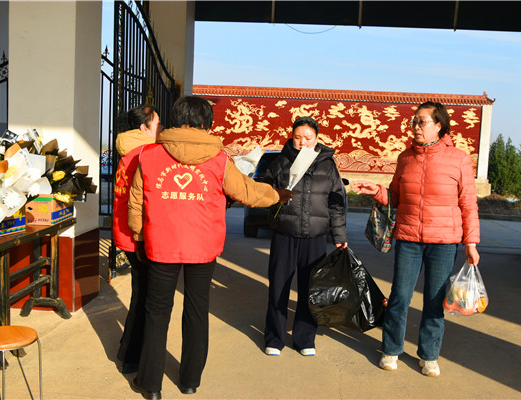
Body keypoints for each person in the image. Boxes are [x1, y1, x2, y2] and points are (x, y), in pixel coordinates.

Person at [127, 96, 292, 399]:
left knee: (156, 312)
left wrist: (138, 236)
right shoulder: (219, 160)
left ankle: (150, 384)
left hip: (160, 245)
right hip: (203, 247)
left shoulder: (149, 155)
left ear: (175, 120)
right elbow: (246, 191)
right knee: (196, 310)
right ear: (206, 123)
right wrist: (276, 195)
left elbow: (136, 201)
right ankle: (190, 381)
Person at [353, 101, 480, 377]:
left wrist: (471, 243)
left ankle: (429, 355)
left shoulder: (458, 159)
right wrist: (377, 191)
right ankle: (391, 350)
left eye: (422, 121)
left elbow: (468, 203)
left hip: (444, 242)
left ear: (439, 125)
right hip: (409, 238)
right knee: (399, 296)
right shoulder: (405, 158)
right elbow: (395, 197)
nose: (416, 126)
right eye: (414, 121)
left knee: (434, 301)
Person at [262, 116, 348, 357]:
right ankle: (274, 338)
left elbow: (336, 203)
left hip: (315, 238)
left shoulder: (328, 165)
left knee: (309, 289)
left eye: (308, 138)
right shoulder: (281, 162)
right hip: (284, 235)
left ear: (317, 138)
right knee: (278, 288)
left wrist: (339, 234)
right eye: (298, 137)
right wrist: (276, 196)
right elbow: (265, 193)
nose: (302, 142)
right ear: (291, 137)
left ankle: (305, 339)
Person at [113, 104, 163, 374]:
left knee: (140, 294)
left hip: (127, 233)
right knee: (145, 299)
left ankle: (127, 350)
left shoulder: (129, 150)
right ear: (144, 128)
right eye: (158, 124)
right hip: (138, 235)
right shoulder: (145, 153)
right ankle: (133, 357)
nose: (161, 129)